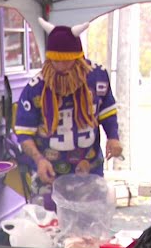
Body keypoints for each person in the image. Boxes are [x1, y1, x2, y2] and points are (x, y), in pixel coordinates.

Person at [14, 18, 123, 211]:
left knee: (88, 229)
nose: (61, 67)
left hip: (88, 169)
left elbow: (107, 112)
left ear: (79, 57)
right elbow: (24, 133)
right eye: (55, 60)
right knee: (50, 229)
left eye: (66, 61)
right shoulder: (35, 87)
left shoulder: (97, 76)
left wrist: (113, 137)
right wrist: (39, 160)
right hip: (48, 172)